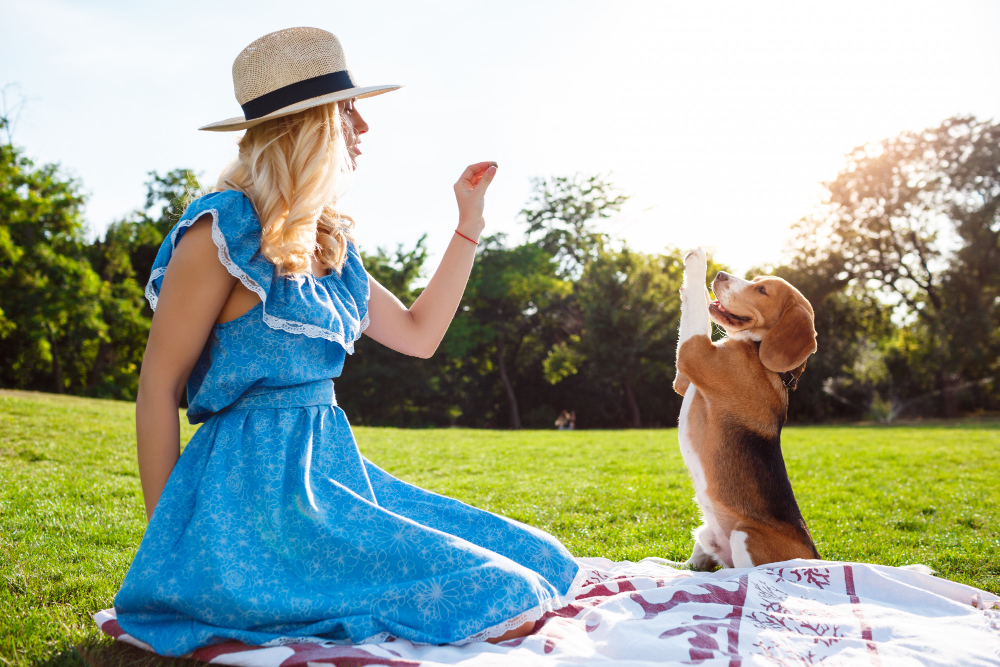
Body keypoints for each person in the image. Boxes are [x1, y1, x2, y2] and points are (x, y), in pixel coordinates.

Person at [112, 27, 579, 657]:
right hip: (249, 497)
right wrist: (166, 539)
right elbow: (157, 387)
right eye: (348, 110)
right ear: (308, 125)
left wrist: (468, 224)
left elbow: (419, 336)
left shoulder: (326, 241)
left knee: (542, 558)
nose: (363, 126)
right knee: (503, 592)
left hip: (333, 478)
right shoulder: (218, 231)